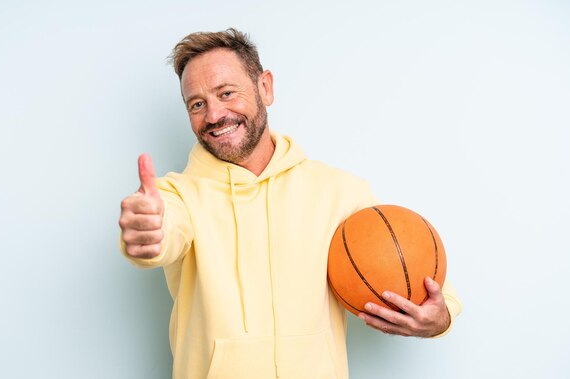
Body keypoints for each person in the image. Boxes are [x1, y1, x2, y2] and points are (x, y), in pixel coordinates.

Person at [119, 28, 462, 379]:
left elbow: (418, 275)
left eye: (226, 93)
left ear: (265, 87)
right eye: (197, 104)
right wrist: (148, 234)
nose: (213, 115)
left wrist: (440, 317)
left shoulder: (340, 192)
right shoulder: (175, 197)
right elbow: (163, 232)